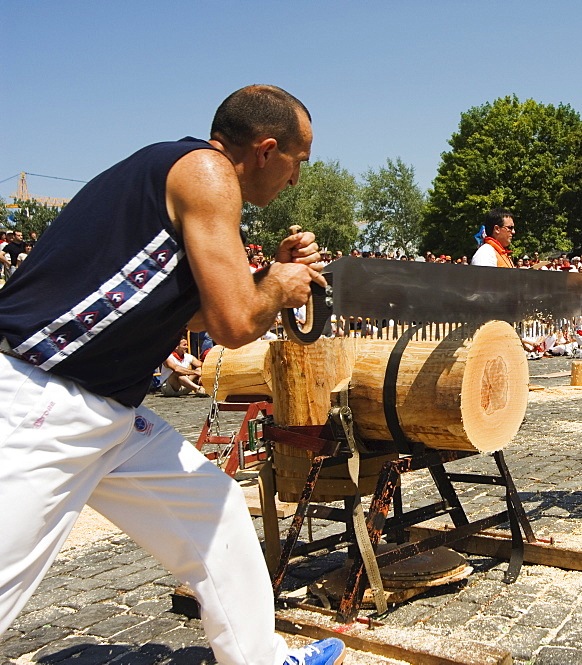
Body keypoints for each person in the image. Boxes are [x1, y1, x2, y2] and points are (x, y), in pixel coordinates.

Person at [0, 85, 346, 665]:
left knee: (214, 508)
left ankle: (259, 657)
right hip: (44, 401)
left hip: (105, 411)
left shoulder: (178, 175)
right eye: (297, 164)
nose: (295, 181)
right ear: (266, 150)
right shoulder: (209, 174)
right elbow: (235, 323)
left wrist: (270, 277)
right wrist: (277, 285)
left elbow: (195, 307)